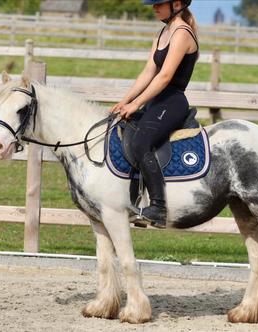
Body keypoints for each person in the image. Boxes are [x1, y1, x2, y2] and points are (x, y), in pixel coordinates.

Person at [109, 0, 199, 229]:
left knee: (141, 142)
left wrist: (137, 103)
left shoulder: (182, 33)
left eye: (159, 3)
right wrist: (125, 101)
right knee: (123, 130)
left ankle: (158, 207)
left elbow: (165, 76)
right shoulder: (163, 32)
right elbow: (149, 71)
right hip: (156, 99)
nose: (153, 7)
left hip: (172, 101)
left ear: (177, 3)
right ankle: (132, 200)